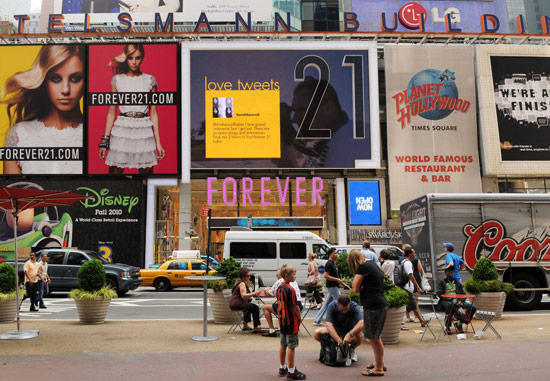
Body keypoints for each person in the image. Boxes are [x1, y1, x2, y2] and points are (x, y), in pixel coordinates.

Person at [1, 45, 84, 174]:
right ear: (44, 80)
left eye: (75, 78)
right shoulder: (20, 135)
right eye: (56, 79)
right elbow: (11, 192)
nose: (66, 90)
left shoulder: (98, 133)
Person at [98, 44, 165, 175]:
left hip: (144, 129)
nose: (134, 62)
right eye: (130, 58)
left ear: (142, 58)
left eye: (138, 58)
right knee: (114, 176)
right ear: (125, 58)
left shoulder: (150, 80)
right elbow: (112, 112)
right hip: (122, 129)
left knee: (146, 179)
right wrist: (104, 142)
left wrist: (158, 143)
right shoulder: (117, 80)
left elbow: (153, 113)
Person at [349, 249, 388, 376]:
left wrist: (360, 287)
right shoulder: (371, 264)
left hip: (373, 305)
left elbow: (355, 288)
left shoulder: (363, 267)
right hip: (378, 303)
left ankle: (378, 369)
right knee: (376, 336)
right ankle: (379, 363)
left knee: (373, 338)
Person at [313, 294, 364, 364]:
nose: (344, 312)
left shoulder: (354, 306)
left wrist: (350, 334)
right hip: (336, 329)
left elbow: (362, 323)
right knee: (317, 332)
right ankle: (328, 346)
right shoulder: (332, 306)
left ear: (349, 303)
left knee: (360, 336)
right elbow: (329, 325)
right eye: (342, 309)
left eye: (346, 309)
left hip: (349, 329)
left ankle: (352, 349)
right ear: (338, 304)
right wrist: (339, 341)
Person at [276, 265, 305, 380]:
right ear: (287, 276)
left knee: (283, 344)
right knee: (291, 346)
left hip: (282, 320)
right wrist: (299, 318)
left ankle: (282, 367)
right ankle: (291, 371)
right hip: (291, 321)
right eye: (293, 274)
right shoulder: (290, 289)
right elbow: (295, 305)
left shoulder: (279, 288)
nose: (295, 276)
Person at [262, 268, 303, 338]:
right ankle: (294, 330)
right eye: (294, 275)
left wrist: (266, 289)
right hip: (298, 305)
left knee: (265, 307)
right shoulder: (292, 282)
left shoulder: (281, 283)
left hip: (287, 308)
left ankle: (272, 330)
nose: (295, 277)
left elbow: (269, 294)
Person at [437, 265, 477, 334]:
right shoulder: (442, 282)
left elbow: (463, 294)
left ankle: (460, 324)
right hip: (445, 301)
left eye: (452, 271)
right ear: (446, 273)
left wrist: (461, 301)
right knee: (450, 305)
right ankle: (447, 326)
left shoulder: (457, 283)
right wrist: (449, 298)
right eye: (449, 271)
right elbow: (439, 293)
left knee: (473, 307)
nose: (451, 273)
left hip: (457, 301)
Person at [314, 247, 344, 326]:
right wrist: (336, 279)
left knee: (326, 304)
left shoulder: (332, 263)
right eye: (335, 253)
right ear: (330, 254)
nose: (337, 255)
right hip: (332, 287)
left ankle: (317, 320)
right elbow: (326, 275)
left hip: (333, 286)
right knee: (341, 302)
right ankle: (340, 320)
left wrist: (338, 280)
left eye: (336, 253)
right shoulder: (329, 264)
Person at [229, 267, 262, 333]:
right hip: (237, 304)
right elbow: (243, 296)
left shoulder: (237, 282)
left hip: (233, 303)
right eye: (248, 276)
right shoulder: (242, 284)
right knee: (255, 308)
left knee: (248, 306)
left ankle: (245, 325)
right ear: (243, 276)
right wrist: (254, 293)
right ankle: (256, 327)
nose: (249, 277)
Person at [402, 247, 428, 327]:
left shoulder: (403, 261)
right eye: (413, 253)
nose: (415, 254)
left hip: (404, 286)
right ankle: (421, 321)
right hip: (407, 287)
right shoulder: (408, 263)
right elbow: (410, 275)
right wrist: (418, 287)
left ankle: (420, 321)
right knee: (413, 304)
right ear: (409, 254)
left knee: (409, 304)